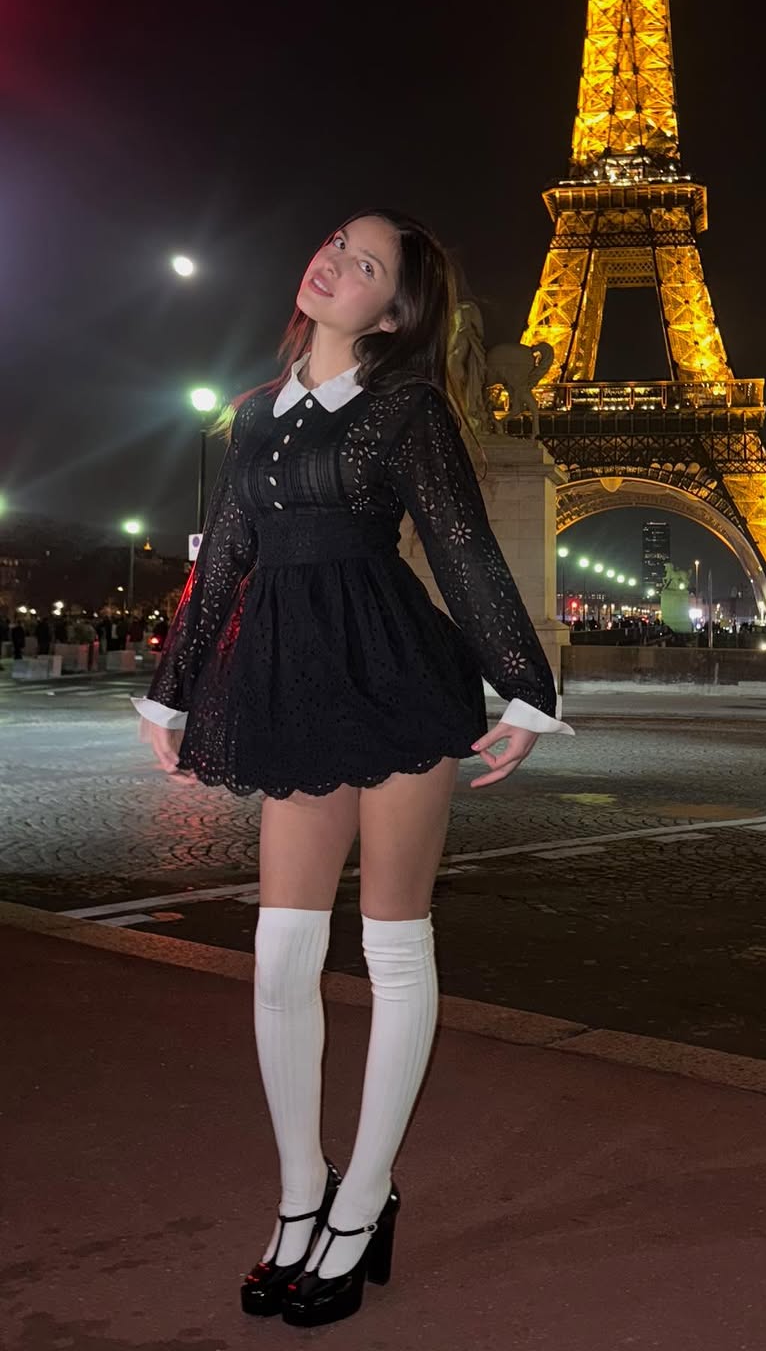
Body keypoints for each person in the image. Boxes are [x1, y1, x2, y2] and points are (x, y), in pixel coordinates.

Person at [133, 209, 575, 1328]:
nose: (337, 259)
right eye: (338, 241)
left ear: (394, 311)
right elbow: (224, 563)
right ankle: (300, 1198)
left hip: (398, 679)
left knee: (390, 946)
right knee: (280, 955)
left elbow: (466, 548)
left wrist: (527, 688)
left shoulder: (404, 408)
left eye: (368, 263)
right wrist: (170, 687)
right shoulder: (255, 417)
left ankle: (365, 1197)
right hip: (290, 686)